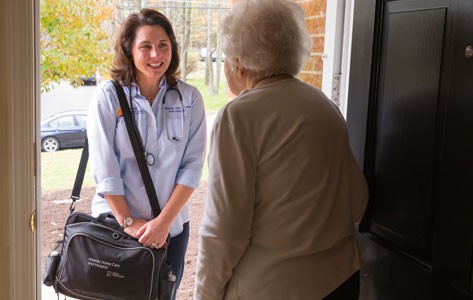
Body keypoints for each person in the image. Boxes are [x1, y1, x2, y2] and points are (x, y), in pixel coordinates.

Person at [194, 0, 368, 299]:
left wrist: (204, 295)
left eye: (224, 56)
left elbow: (224, 232)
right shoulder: (325, 106)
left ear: (240, 61)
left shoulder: (238, 117)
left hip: (272, 288)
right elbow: (358, 201)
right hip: (340, 280)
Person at [87, 8, 206, 300]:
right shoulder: (108, 96)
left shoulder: (190, 99)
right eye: (146, 46)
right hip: (115, 228)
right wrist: (129, 222)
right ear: (129, 48)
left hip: (171, 231)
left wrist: (163, 223)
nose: (156, 55)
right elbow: (106, 171)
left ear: (172, 48)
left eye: (163, 45)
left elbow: (191, 168)